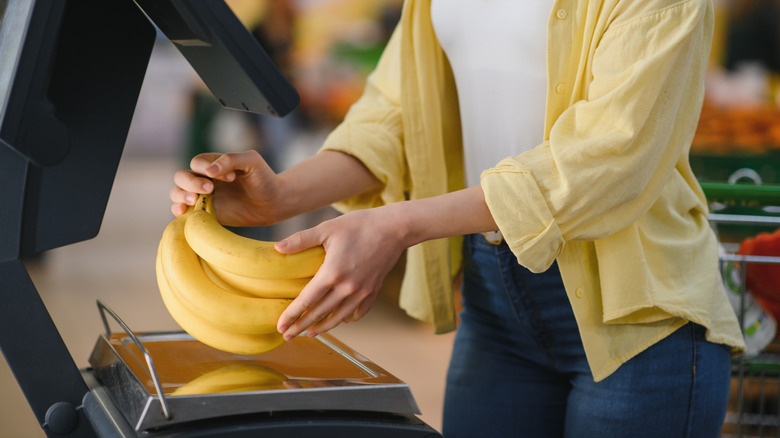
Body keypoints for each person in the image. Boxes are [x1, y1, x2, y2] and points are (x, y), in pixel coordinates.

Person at [170, 0, 746, 436]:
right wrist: (282, 195)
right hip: (495, 298)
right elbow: (397, 114)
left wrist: (398, 225)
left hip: (636, 317)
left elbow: (612, 157)